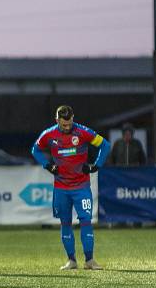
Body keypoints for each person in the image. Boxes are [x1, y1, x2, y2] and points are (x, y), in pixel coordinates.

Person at [32, 105, 110, 270]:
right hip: (61, 188)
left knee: (86, 221)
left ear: (73, 118)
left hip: (81, 187)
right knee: (65, 222)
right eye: (63, 125)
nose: (67, 128)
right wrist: (48, 165)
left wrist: (95, 166)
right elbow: (36, 150)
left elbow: (105, 145)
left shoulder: (83, 132)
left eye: (69, 124)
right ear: (57, 121)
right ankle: (71, 260)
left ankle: (89, 261)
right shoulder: (49, 134)